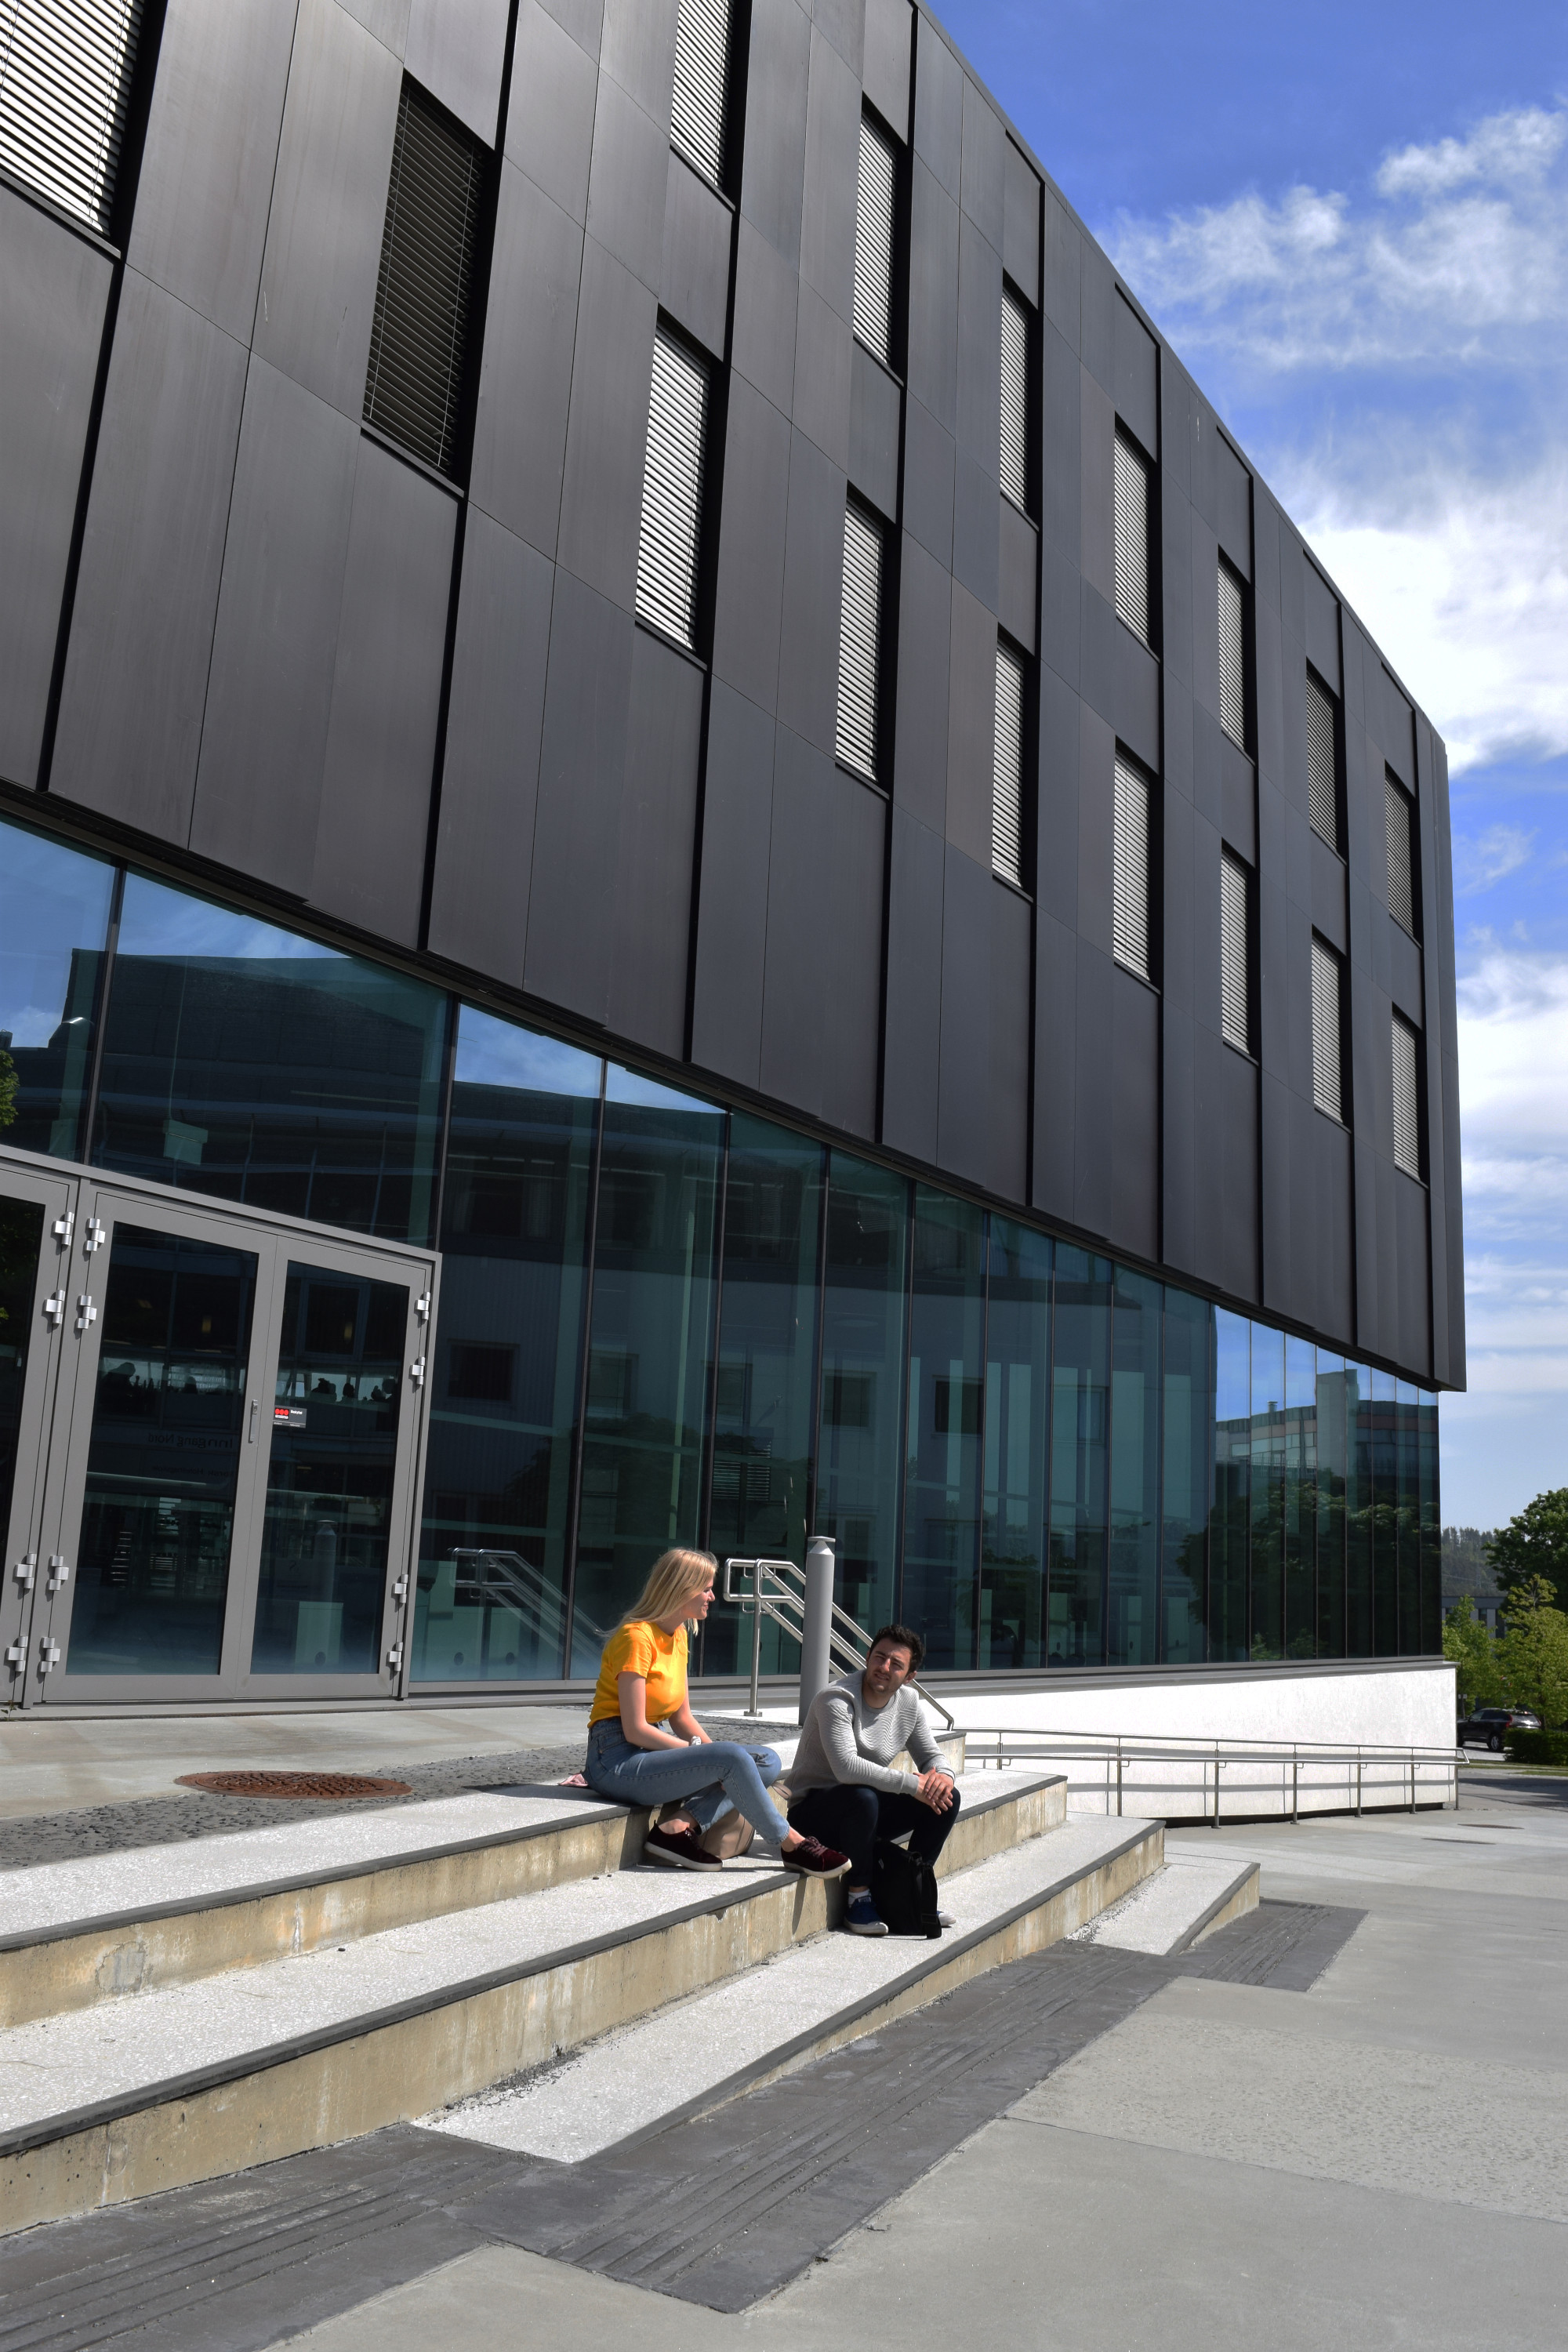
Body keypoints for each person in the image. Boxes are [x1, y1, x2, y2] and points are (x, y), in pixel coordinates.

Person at [583, 1546, 850, 1877]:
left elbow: (682, 1719)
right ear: (681, 1588)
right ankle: (791, 1843)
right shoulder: (636, 1638)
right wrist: (714, 1759)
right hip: (614, 1759)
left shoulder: (678, 1635)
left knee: (765, 1760)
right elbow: (635, 1729)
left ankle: (677, 1828)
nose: (712, 1596)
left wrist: (721, 1762)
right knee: (732, 1759)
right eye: (706, 1588)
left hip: (649, 1751)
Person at [783, 1623, 960, 1935]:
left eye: (896, 1664)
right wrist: (912, 1784)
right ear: (868, 1657)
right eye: (879, 1657)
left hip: (863, 1811)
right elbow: (847, 1769)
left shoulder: (909, 1704)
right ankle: (859, 1899)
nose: (884, 1667)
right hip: (812, 1815)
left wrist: (944, 1776)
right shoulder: (836, 1699)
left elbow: (932, 1756)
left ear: (910, 1676)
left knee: (946, 1799)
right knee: (862, 1796)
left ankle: (911, 1888)